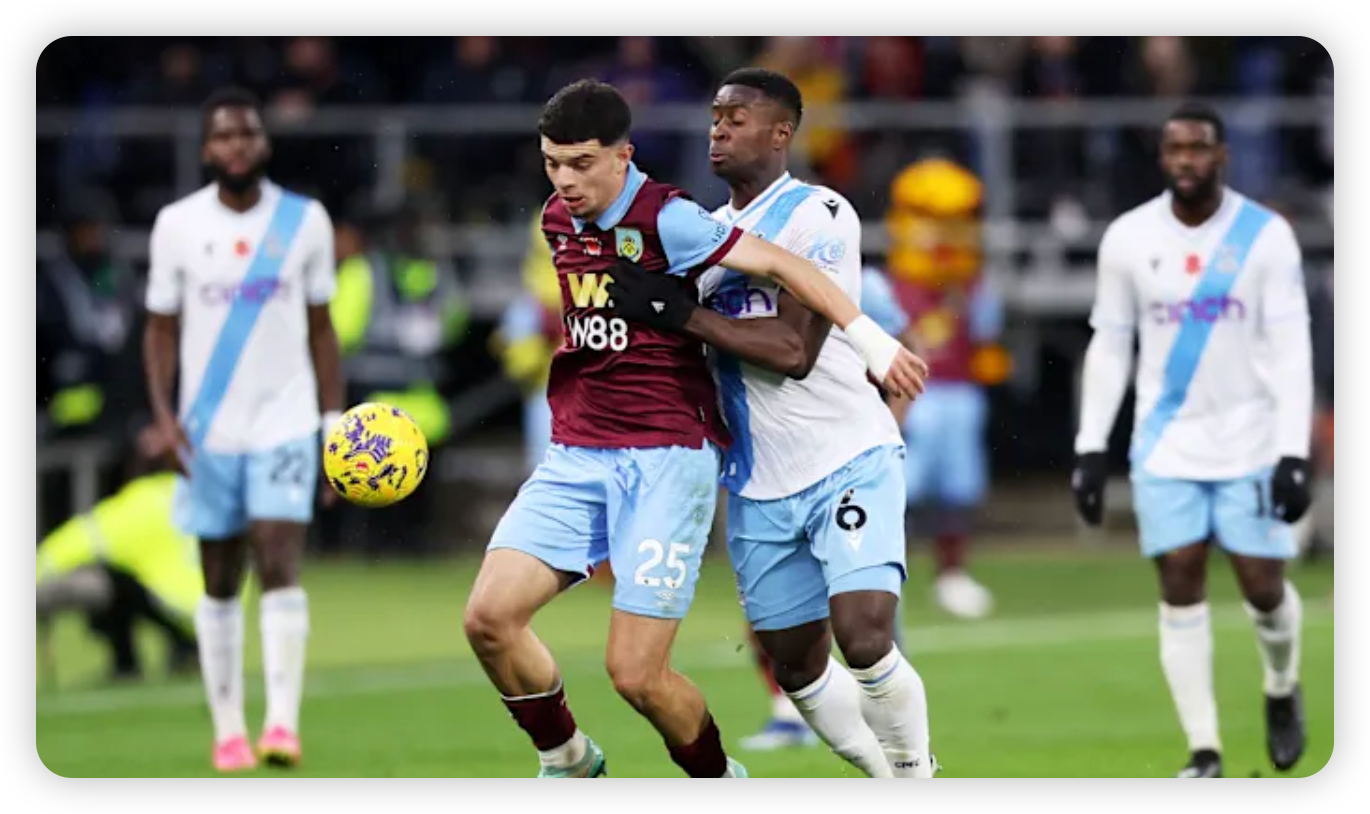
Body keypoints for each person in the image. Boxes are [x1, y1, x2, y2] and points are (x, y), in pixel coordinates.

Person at [461, 78, 926, 780]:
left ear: (624, 155)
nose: (563, 180)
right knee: (488, 619)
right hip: (601, 452)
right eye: (552, 163)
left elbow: (790, 313)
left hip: (678, 455)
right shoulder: (559, 221)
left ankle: (909, 770)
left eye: (580, 163)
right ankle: (567, 757)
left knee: (660, 672)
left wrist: (872, 341)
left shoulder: (689, 220)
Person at [607, 69, 935, 778]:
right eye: (715, 117)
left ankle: (915, 771)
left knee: (864, 634)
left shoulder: (819, 214)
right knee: (794, 665)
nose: (717, 128)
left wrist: (680, 312)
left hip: (848, 455)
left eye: (736, 117)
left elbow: (793, 350)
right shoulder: (710, 235)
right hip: (757, 483)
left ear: (781, 133)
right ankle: (886, 773)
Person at [1071, 103, 1312, 779]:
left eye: (1198, 148)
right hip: (1165, 440)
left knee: (1263, 585)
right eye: (1174, 149)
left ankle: (1280, 683)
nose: (1185, 160)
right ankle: (1204, 751)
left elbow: (1292, 349)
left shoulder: (1264, 237)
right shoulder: (1127, 237)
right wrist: (1092, 445)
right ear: (1162, 157)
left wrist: (1294, 451)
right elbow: (1111, 344)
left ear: (1222, 155)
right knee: (1179, 577)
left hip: (1254, 436)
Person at [142, 87, 344, 773]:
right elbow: (160, 330)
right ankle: (229, 730)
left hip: (285, 420)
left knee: (279, 559)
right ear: (207, 149)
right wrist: (166, 420)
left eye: (247, 135)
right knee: (220, 576)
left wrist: (332, 426)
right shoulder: (175, 225)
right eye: (223, 137)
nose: (236, 146)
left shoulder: (304, 221)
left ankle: (281, 725)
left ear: (263, 143)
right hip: (208, 430)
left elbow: (323, 331)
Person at [737, 263, 919, 753]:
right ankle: (787, 713)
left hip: (847, 459)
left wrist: (890, 425)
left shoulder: (861, 279)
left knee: (864, 623)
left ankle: (893, 726)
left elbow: (901, 352)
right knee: (772, 621)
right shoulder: (728, 269)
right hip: (766, 470)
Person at [883, 158, 1010, 619]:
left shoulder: (971, 282)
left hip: (960, 391)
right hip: (912, 394)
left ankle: (952, 574)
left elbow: (985, 335)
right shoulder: (890, 285)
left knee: (958, 487)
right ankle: (880, 572)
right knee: (900, 488)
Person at [36, 425, 202, 684]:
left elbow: (69, 545)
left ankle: (125, 661)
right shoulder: (199, 498)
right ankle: (186, 651)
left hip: (175, 607)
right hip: (217, 610)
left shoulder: (137, 502)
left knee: (106, 577)